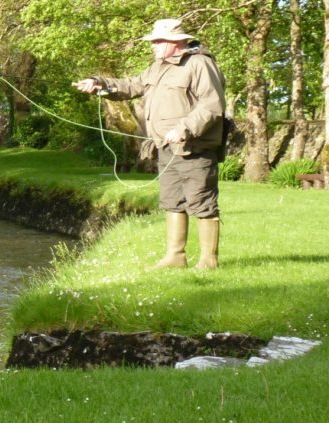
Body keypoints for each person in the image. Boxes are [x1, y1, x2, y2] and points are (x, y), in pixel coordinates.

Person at [75, 19, 227, 270]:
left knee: (201, 201)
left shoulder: (200, 64)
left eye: (158, 41)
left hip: (194, 147)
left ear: (176, 42)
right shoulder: (158, 68)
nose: (153, 46)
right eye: (153, 41)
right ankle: (175, 257)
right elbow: (131, 85)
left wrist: (184, 129)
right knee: (172, 200)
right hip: (165, 147)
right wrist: (99, 83)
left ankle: (208, 261)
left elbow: (212, 106)